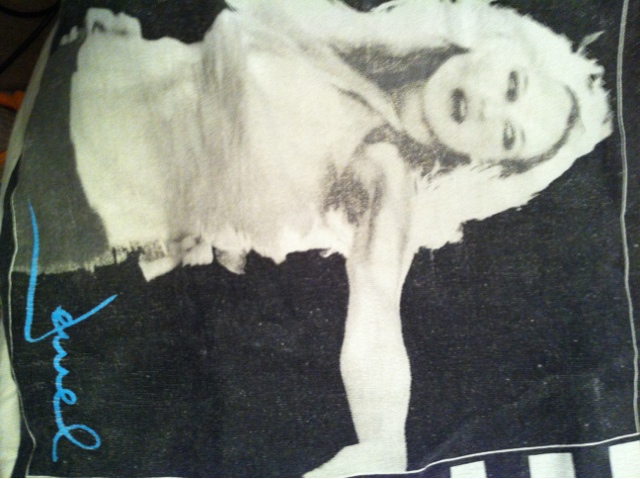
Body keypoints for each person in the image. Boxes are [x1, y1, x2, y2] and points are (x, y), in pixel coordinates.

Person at [20, 0, 611, 476]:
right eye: (512, 84)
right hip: (89, 72)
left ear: (488, 163)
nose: (488, 109)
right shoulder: (349, 37)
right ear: (495, 45)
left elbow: (376, 313)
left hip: (78, 200)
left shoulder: (386, 176)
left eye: (507, 135)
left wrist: (382, 444)